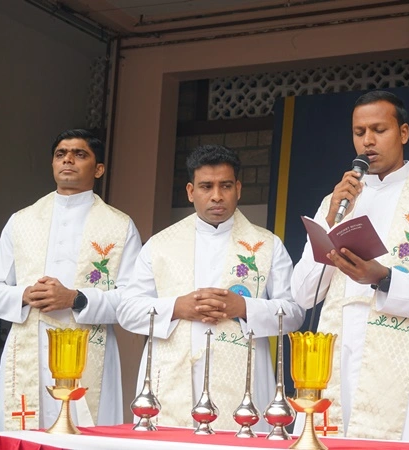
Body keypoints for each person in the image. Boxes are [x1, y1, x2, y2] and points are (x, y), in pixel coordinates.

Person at [291, 90, 409, 449]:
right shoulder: (336, 201)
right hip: (339, 354)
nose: (368, 141)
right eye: (359, 132)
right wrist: (329, 221)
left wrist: (385, 279)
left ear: (403, 133)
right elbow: (303, 293)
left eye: (379, 130)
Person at [118, 144, 304, 429]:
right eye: (206, 186)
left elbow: (294, 312)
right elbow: (127, 310)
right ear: (191, 191)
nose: (217, 195)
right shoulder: (159, 245)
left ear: (238, 189)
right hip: (170, 381)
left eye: (225, 186)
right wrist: (177, 307)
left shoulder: (267, 245)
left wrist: (244, 307)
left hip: (243, 385)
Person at [0, 129, 142, 431]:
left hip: (89, 349)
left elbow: (134, 301)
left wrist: (76, 299)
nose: (68, 159)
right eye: (60, 154)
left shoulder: (120, 226)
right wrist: (24, 295)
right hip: (30, 348)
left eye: (80, 154)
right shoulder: (21, 221)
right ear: (53, 164)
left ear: (99, 169)